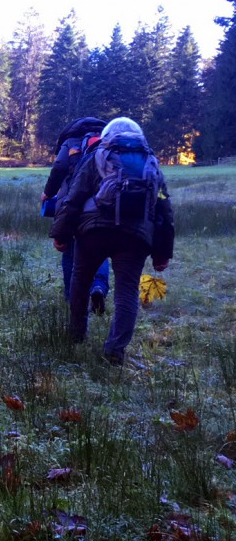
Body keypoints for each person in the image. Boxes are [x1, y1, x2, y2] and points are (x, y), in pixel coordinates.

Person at [51, 117, 174, 366]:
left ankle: (76, 335)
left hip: (93, 231)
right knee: (127, 292)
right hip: (135, 237)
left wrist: (61, 234)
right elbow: (164, 209)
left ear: (108, 134)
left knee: (81, 280)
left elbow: (73, 198)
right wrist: (162, 254)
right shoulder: (150, 162)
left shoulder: (97, 155)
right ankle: (115, 350)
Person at [42, 117, 111, 312]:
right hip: (101, 202)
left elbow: (59, 168)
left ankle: (71, 297)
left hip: (71, 203)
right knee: (101, 250)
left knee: (69, 250)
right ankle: (99, 287)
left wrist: (48, 192)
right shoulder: (108, 140)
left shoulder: (70, 142)